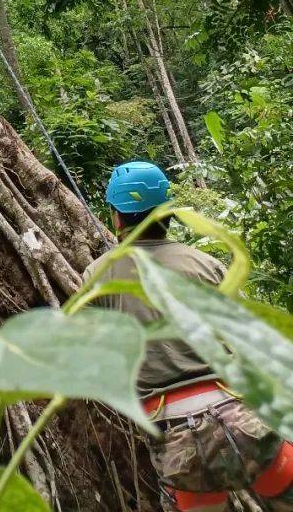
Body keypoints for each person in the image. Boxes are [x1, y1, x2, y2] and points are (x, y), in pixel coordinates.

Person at [86, 160, 293, 512]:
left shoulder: (98, 275)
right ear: (168, 211)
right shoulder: (205, 264)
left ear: (116, 216)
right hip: (242, 418)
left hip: (176, 436)